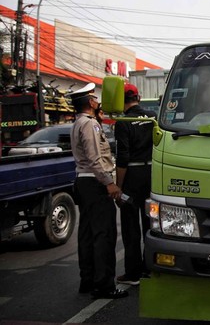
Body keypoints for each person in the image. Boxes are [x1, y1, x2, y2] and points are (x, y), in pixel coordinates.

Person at [69, 83, 128, 299]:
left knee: (86, 234)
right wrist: (109, 183)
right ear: (91, 102)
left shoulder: (78, 123)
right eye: (95, 97)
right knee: (104, 235)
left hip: (83, 183)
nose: (97, 100)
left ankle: (88, 280)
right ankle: (104, 286)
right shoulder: (91, 125)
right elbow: (95, 159)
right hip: (95, 183)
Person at [115, 83, 156, 286]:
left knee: (131, 227)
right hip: (151, 175)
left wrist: (118, 186)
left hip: (132, 176)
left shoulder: (123, 122)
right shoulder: (152, 117)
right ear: (138, 97)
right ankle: (151, 268)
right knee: (151, 224)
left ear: (122, 101)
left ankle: (133, 273)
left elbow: (122, 158)